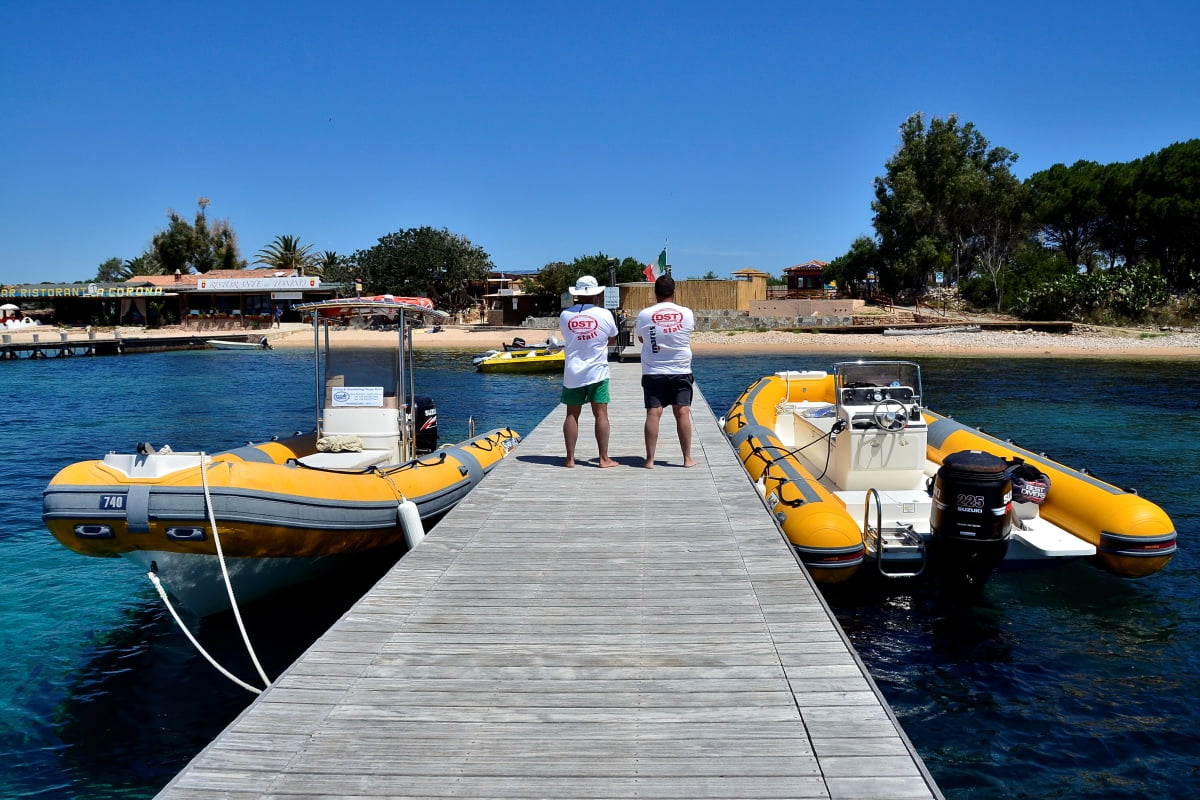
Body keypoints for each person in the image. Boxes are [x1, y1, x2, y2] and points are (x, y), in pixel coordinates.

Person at [635, 274, 697, 468]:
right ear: (674, 292)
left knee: (653, 413)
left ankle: (650, 460)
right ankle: (687, 459)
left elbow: (642, 339)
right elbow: (686, 334)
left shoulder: (645, 314)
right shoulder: (686, 313)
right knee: (683, 412)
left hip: (653, 370)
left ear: (655, 293)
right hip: (680, 369)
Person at [559, 275, 618, 468]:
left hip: (573, 372)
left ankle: (569, 459)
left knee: (571, 414)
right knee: (601, 414)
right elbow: (612, 338)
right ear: (596, 293)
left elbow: (569, 338)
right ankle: (603, 458)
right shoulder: (605, 314)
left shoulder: (565, 315)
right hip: (597, 372)